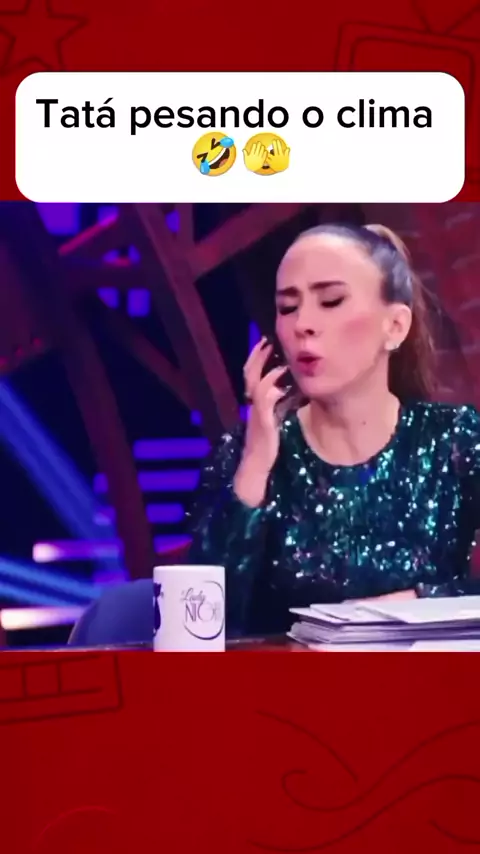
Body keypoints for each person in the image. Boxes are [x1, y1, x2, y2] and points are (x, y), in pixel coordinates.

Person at [187, 222, 480, 637]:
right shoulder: (244, 454)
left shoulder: (453, 440)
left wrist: (424, 599)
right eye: (288, 307)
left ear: (395, 326)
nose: (303, 324)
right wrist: (254, 466)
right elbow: (196, 624)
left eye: (331, 301)